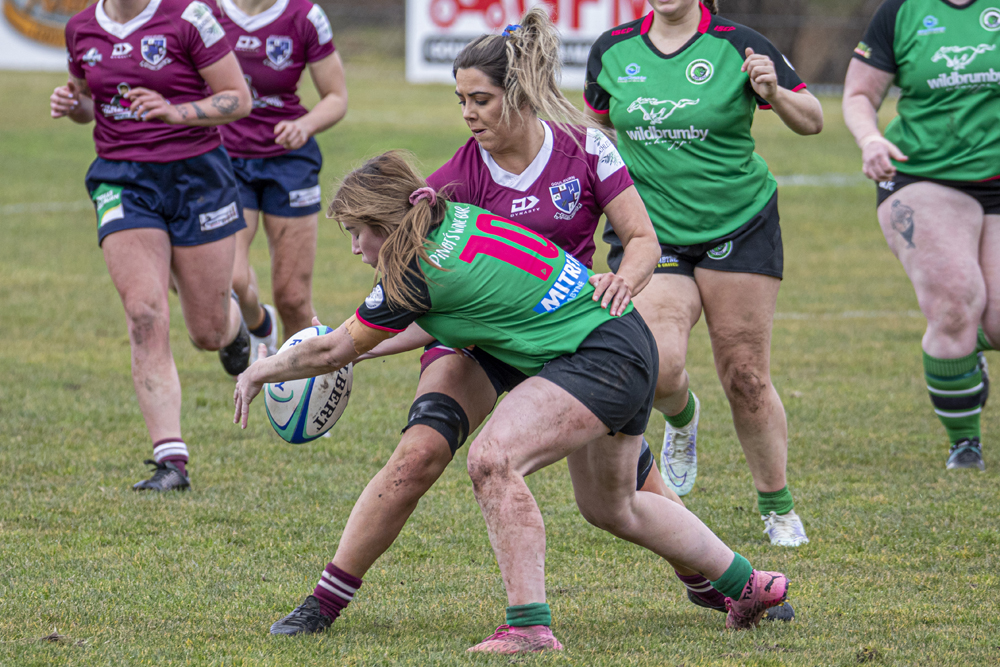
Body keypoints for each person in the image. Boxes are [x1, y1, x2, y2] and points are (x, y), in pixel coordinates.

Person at [262, 10, 789, 636]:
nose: (467, 113)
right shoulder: (453, 182)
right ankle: (324, 602)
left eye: (479, 99)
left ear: (517, 94)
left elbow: (642, 239)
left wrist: (626, 280)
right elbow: (419, 293)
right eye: (459, 100)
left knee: (621, 485)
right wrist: (351, 347)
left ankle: (716, 581)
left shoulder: (584, 146)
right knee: (418, 453)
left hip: (567, 330)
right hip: (480, 339)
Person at [584, 0, 823, 546]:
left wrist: (775, 92)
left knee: (746, 376)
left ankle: (777, 505)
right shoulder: (612, 50)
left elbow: (813, 120)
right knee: (660, 367)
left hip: (740, 225)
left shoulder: (738, 44)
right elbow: (595, 135)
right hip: (654, 234)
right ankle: (682, 416)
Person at [52, 0, 253, 491]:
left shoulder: (189, 17)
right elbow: (90, 103)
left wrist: (174, 111)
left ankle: (233, 326)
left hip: (196, 177)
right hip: (121, 179)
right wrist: (73, 107)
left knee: (207, 331)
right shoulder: (81, 28)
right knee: (144, 310)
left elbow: (238, 98)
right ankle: (171, 461)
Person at [843, 0, 1000, 471]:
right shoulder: (901, 11)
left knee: (991, 321)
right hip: (921, 175)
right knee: (953, 301)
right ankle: (964, 444)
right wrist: (870, 138)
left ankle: (966, 342)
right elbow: (858, 94)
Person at [215, 0, 348, 358]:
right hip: (227, 160)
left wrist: (305, 125)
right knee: (231, 280)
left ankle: (298, 382)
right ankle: (260, 324)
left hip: (289, 163)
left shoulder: (305, 16)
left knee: (293, 297)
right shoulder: (207, 12)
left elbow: (337, 97)